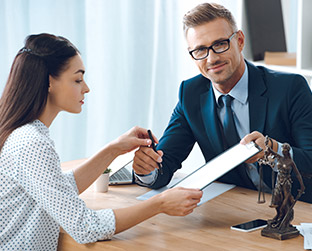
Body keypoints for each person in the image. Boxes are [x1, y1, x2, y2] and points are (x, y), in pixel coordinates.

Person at [0, 33, 203, 250]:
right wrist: (159, 204)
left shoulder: (25, 135)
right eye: (77, 79)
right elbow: (85, 227)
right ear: (49, 82)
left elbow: (59, 192)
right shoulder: (32, 142)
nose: (86, 88)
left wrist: (115, 148)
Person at [132, 2, 312, 203]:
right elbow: (165, 164)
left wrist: (273, 149)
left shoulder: (290, 88)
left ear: (240, 41)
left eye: (219, 44)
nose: (211, 58)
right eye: (200, 50)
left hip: (296, 208)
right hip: (234, 210)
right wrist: (146, 168)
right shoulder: (190, 94)